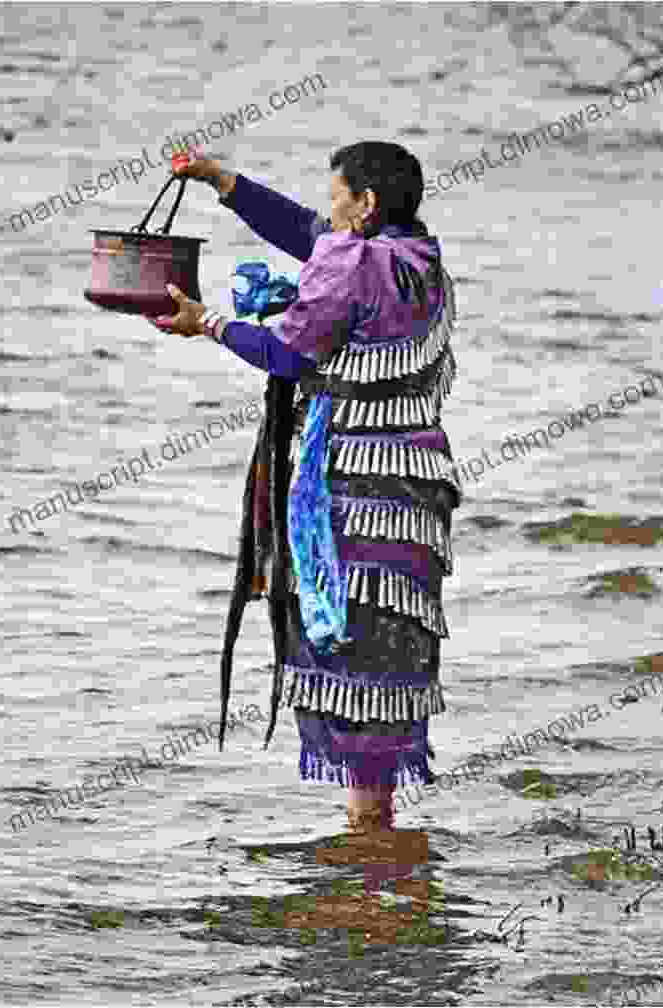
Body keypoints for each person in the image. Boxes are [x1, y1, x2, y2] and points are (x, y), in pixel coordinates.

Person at [153, 141, 462, 832]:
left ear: (366, 205)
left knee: (344, 648)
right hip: (417, 497)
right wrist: (223, 182)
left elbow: (290, 353)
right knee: (389, 656)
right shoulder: (421, 262)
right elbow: (309, 236)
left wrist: (209, 323)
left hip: (355, 496)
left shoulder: (354, 262)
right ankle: (376, 832)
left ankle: (367, 841)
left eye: (336, 197)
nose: (328, 213)